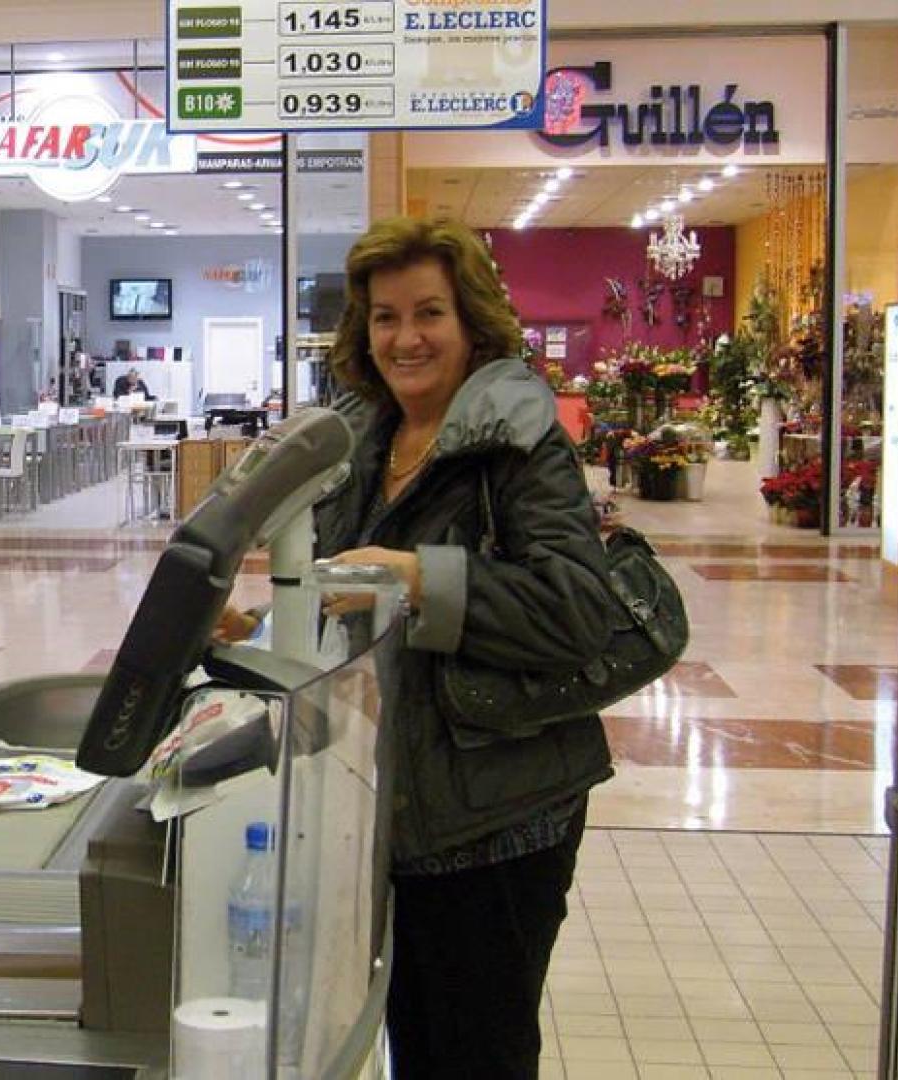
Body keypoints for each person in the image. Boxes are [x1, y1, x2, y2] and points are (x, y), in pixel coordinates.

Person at [218, 217, 612, 1080]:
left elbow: (581, 606)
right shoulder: (361, 435)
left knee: (477, 1053)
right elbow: (343, 580)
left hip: (500, 813)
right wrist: (262, 619)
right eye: (385, 316)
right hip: (389, 802)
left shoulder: (517, 438)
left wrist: (423, 577)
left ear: (471, 320)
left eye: (428, 313)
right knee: (407, 1038)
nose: (406, 338)